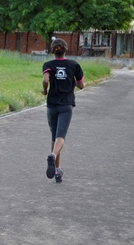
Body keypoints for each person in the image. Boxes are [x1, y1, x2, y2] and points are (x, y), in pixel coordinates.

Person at [41, 38, 84, 183]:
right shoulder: (74, 65)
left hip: (52, 105)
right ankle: (53, 156)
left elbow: (46, 80)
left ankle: (57, 170)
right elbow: (81, 84)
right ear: (66, 49)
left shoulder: (48, 65)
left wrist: (44, 89)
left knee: (54, 136)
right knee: (61, 136)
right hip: (66, 105)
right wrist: (76, 84)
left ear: (53, 50)